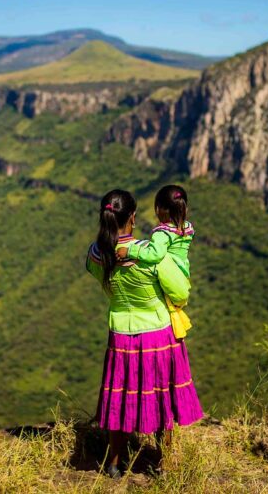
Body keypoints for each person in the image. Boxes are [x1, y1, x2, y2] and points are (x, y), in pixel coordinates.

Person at [86, 189, 203, 479]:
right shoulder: (152, 255)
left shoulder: (96, 253)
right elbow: (180, 291)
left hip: (121, 334)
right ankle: (164, 463)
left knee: (120, 395)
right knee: (163, 395)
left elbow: (95, 269)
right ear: (134, 218)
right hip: (158, 334)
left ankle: (114, 462)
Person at [116, 184, 194, 278]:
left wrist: (129, 251)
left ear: (158, 210)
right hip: (183, 274)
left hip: (170, 277)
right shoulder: (186, 227)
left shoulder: (163, 233)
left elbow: (154, 255)